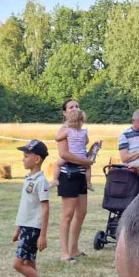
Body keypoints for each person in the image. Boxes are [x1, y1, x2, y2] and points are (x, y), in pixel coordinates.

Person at [11, 140, 59, 277]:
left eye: (26, 156)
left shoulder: (41, 182)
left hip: (33, 229)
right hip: (25, 227)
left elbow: (45, 209)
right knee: (30, 264)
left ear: (37, 159)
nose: (23, 159)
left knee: (17, 264)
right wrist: (18, 228)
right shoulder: (29, 179)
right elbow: (24, 206)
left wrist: (43, 234)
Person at [55, 98, 95, 263]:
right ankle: (65, 253)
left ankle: (74, 249)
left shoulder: (81, 131)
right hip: (69, 174)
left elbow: (81, 150)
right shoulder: (64, 130)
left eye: (77, 106)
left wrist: (91, 154)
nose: (74, 108)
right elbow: (63, 154)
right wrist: (85, 162)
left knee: (82, 212)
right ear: (64, 113)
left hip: (80, 174)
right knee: (68, 214)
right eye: (70, 107)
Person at [64, 107, 98, 192]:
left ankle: (55, 179)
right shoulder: (84, 132)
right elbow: (86, 141)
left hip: (70, 155)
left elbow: (58, 138)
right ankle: (88, 183)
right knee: (88, 167)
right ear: (81, 122)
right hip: (82, 156)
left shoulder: (68, 131)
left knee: (57, 164)